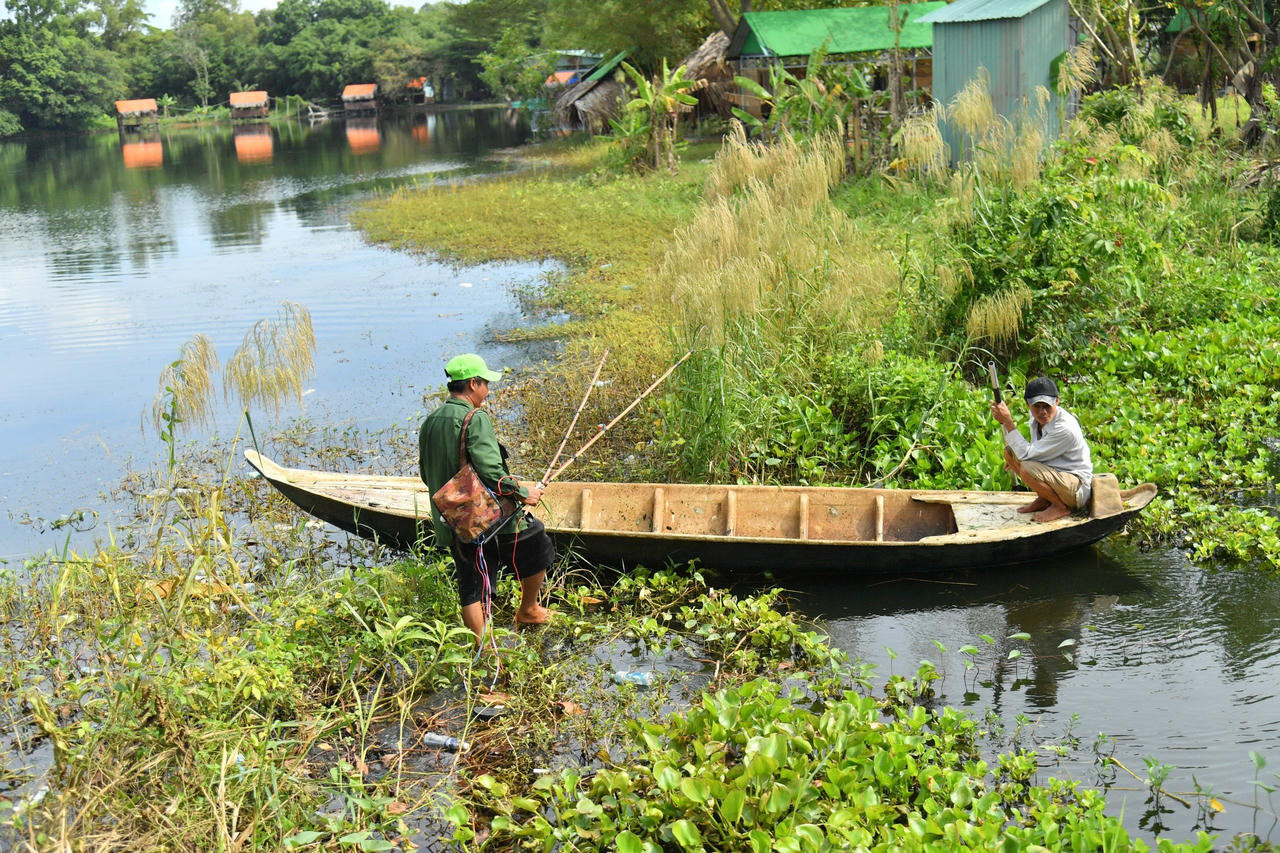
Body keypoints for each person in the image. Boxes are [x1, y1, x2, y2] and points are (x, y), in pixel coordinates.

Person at [419, 353, 554, 641]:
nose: (488, 391)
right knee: (537, 540)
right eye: (485, 385)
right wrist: (523, 493)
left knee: (471, 583)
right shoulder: (474, 417)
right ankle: (528, 609)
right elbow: (491, 470)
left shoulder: (430, 421)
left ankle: (482, 648)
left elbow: (424, 471)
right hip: (484, 514)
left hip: (451, 518)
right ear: (472, 384)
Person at [990, 375, 1093, 523]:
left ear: (1057, 401)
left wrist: (1008, 421)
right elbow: (1030, 453)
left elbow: (1026, 455)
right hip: (1057, 476)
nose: (1042, 412)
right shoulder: (1036, 419)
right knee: (1009, 453)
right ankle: (1045, 499)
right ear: (1028, 405)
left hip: (1076, 487)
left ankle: (1061, 507)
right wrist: (1014, 460)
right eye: (1036, 407)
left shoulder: (1065, 429)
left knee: (1026, 469)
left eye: (1047, 406)